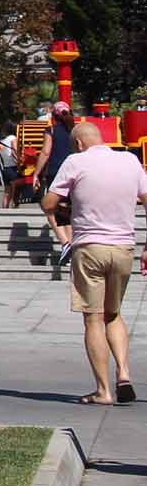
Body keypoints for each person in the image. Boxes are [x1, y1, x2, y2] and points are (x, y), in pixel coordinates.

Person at [42, 120, 147, 406]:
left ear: (78, 143)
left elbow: (48, 203)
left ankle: (103, 391)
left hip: (89, 248)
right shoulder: (129, 160)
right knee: (114, 313)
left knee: (93, 318)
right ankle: (124, 374)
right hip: (123, 248)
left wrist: (68, 208)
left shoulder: (75, 161)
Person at [40, 102, 80, 262]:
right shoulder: (76, 131)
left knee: (49, 207)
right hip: (75, 171)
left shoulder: (51, 130)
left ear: (53, 116)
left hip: (56, 172)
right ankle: (71, 246)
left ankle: (65, 243)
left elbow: (45, 151)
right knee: (67, 209)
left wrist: (36, 173)